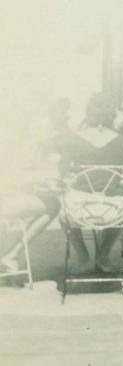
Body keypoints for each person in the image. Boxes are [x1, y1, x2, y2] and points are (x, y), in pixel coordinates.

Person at [59, 92, 123, 273]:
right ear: (112, 115)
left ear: (88, 112)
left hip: (79, 209)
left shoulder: (73, 139)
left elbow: (62, 172)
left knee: (63, 213)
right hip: (112, 211)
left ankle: (83, 257)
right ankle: (103, 256)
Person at [0, 97, 70, 275]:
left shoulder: (16, 140)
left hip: (8, 197)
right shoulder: (28, 147)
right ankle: (11, 254)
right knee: (53, 205)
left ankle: (10, 252)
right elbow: (17, 177)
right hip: (6, 200)